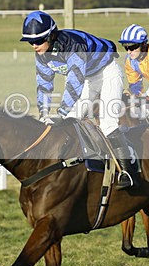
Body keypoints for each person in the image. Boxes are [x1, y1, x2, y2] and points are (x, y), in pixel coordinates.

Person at [20, 10, 138, 190]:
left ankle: (128, 171)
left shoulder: (72, 45)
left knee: (108, 124)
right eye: (30, 42)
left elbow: (75, 83)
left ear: (51, 36)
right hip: (88, 77)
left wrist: (60, 112)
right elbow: (44, 85)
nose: (34, 46)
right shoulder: (41, 55)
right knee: (70, 121)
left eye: (38, 41)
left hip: (107, 72)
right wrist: (44, 114)